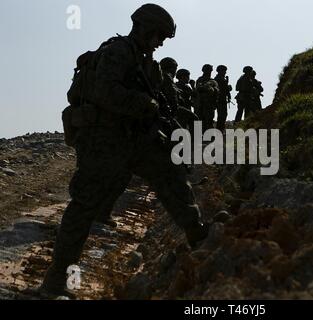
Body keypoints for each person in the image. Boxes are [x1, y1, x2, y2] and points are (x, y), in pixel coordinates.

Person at [40, 3, 210, 297]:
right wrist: (144, 105)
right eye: (158, 35)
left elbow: (155, 100)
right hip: (104, 141)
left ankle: (197, 232)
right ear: (143, 27)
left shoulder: (146, 62)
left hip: (134, 139)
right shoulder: (117, 51)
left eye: (163, 39)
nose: (159, 42)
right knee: (84, 205)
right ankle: (56, 279)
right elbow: (104, 92)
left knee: (170, 174)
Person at [196, 64, 219, 131]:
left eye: (209, 70)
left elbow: (216, 92)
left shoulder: (213, 81)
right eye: (207, 70)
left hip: (210, 104)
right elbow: (198, 89)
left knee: (209, 120)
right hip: (201, 103)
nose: (209, 72)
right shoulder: (200, 79)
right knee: (200, 120)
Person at [214, 65, 232, 132]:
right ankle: (220, 130)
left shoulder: (221, 79)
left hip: (223, 99)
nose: (225, 72)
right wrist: (228, 87)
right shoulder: (218, 79)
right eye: (224, 71)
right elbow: (222, 89)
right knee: (221, 115)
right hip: (220, 99)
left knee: (223, 115)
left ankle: (221, 129)